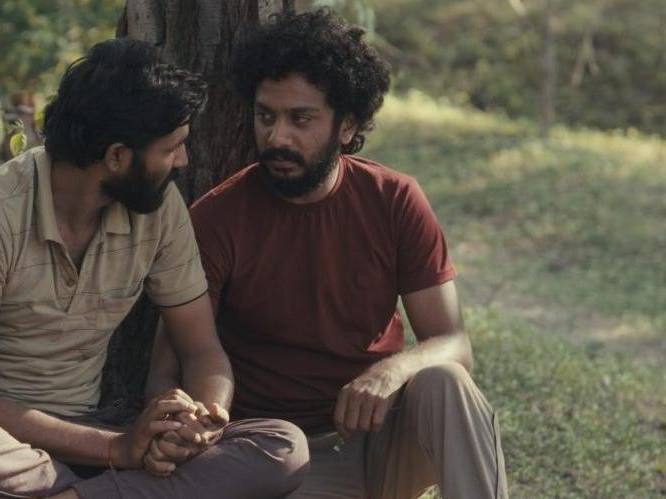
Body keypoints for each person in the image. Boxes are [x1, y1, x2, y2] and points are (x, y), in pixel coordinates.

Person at [0, 38, 308, 499]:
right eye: (172, 148)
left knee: (281, 447)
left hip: (86, 434)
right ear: (117, 157)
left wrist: (205, 419)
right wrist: (120, 450)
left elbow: (201, 351)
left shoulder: (158, 210)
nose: (184, 161)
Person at [147, 9, 508, 499]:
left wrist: (391, 370)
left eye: (301, 119)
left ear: (346, 126)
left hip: (383, 440)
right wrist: (186, 423)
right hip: (283, 455)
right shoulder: (216, 218)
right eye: (266, 116)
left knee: (446, 382)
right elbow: (172, 363)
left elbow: (454, 343)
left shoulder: (395, 199)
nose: (278, 137)